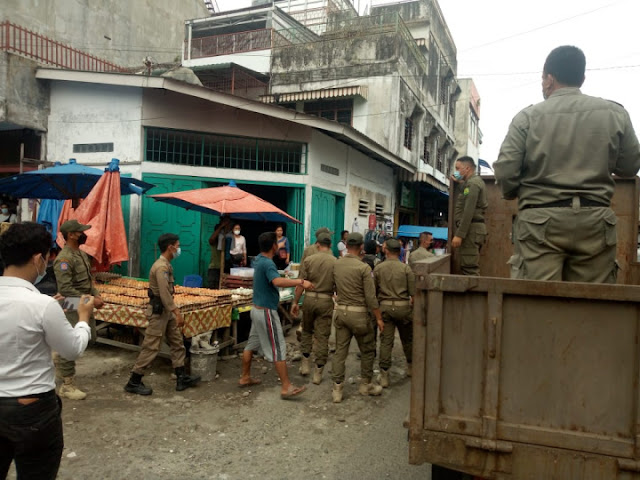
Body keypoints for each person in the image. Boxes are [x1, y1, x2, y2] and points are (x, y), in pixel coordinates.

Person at [494, 45, 640, 282]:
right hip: (596, 221)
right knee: (592, 306)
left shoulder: (527, 117)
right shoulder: (615, 113)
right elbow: (629, 166)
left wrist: (514, 191)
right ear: (581, 78)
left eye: (543, 79)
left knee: (536, 305)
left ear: (549, 79)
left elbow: (507, 170)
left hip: (539, 223)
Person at [0, 222, 94, 480]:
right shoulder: (41, 305)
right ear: (38, 259)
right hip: (31, 410)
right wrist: (84, 319)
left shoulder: (43, 305)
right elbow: (72, 349)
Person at [124, 233, 201, 395]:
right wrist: (177, 312)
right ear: (170, 247)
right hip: (160, 311)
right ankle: (134, 380)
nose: (179, 249)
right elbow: (165, 294)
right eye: (177, 246)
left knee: (177, 342)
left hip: (166, 311)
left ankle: (181, 377)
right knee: (151, 346)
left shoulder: (166, 265)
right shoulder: (161, 267)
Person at [240, 232, 312, 399]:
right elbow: (277, 282)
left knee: (251, 344)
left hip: (256, 310)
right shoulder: (268, 263)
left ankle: (245, 377)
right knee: (278, 347)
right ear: (273, 246)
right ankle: (286, 387)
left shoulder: (258, 259)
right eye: (277, 242)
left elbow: (272, 279)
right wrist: (301, 282)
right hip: (265, 311)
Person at [53, 219, 104, 400]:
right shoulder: (64, 259)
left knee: (81, 341)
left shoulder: (80, 254)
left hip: (83, 303)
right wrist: (91, 300)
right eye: (80, 232)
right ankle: (67, 385)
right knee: (70, 345)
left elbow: (88, 281)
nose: (84, 234)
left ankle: (60, 366)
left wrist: (96, 295)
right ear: (71, 235)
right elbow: (65, 289)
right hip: (71, 304)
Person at [331, 232, 384, 403]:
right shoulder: (364, 268)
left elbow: (333, 287)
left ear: (346, 245)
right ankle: (365, 385)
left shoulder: (337, 264)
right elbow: (371, 298)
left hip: (341, 313)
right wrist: (379, 318)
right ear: (361, 246)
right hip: (360, 315)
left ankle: (337, 390)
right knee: (367, 350)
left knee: (340, 352)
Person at [291, 232, 336, 385]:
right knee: (322, 337)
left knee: (307, 331)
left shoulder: (309, 260)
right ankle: (318, 373)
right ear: (329, 246)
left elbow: (301, 283)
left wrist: (295, 302)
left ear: (317, 245)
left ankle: (305, 365)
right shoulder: (335, 262)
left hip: (309, 299)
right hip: (325, 301)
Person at [373, 238, 415, 387]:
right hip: (403, 307)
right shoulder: (406, 269)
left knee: (386, 342)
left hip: (385, 308)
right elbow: (413, 294)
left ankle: (384, 376)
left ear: (387, 250)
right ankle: (411, 367)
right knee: (408, 339)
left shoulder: (378, 268)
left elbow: (374, 291)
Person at [450, 156, 488, 276]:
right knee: (468, 265)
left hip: (471, 231)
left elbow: (468, 211)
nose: (456, 171)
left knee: (469, 268)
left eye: (457, 168)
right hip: (472, 230)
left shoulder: (473, 184)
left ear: (467, 168)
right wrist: (460, 183)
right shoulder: (470, 184)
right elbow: (466, 192)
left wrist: (459, 235)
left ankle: (474, 294)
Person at [296, 226, 332, 342]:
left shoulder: (308, 250)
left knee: (308, 317)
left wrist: (296, 298)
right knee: (322, 325)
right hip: (325, 293)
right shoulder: (329, 252)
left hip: (309, 290)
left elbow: (302, 271)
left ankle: (303, 330)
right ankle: (318, 347)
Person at [208, 216, 231, 289]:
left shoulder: (227, 241)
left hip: (224, 268)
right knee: (212, 289)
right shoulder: (214, 242)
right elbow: (211, 239)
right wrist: (221, 226)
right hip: (214, 268)